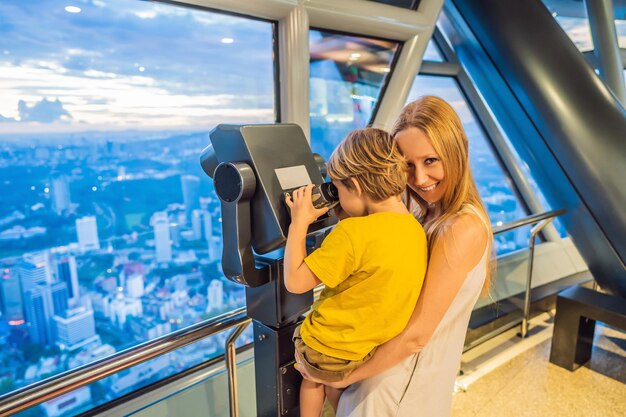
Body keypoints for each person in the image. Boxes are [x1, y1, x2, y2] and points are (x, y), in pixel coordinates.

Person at [295, 96, 493, 417]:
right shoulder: (422, 217)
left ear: (458, 153)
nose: (418, 179)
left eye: (431, 161)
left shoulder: (461, 227)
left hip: (397, 391)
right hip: (392, 380)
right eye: (407, 165)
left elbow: (416, 336)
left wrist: (336, 376)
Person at [283, 128, 428, 417]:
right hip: (369, 345)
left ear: (357, 186)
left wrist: (297, 223)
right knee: (336, 384)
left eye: (337, 188)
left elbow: (296, 282)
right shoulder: (414, 227)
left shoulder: (352, 233)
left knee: (313, 380)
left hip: (328, 347)